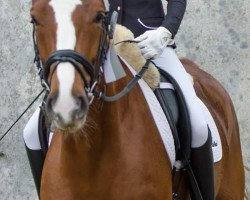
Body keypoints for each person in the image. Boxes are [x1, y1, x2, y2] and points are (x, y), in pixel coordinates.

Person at [24, 0, 214, 199]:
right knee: (31, 133)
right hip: (106, 49)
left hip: (152, 45)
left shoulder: (158, 38)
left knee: (198, 125)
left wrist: (165, 31)